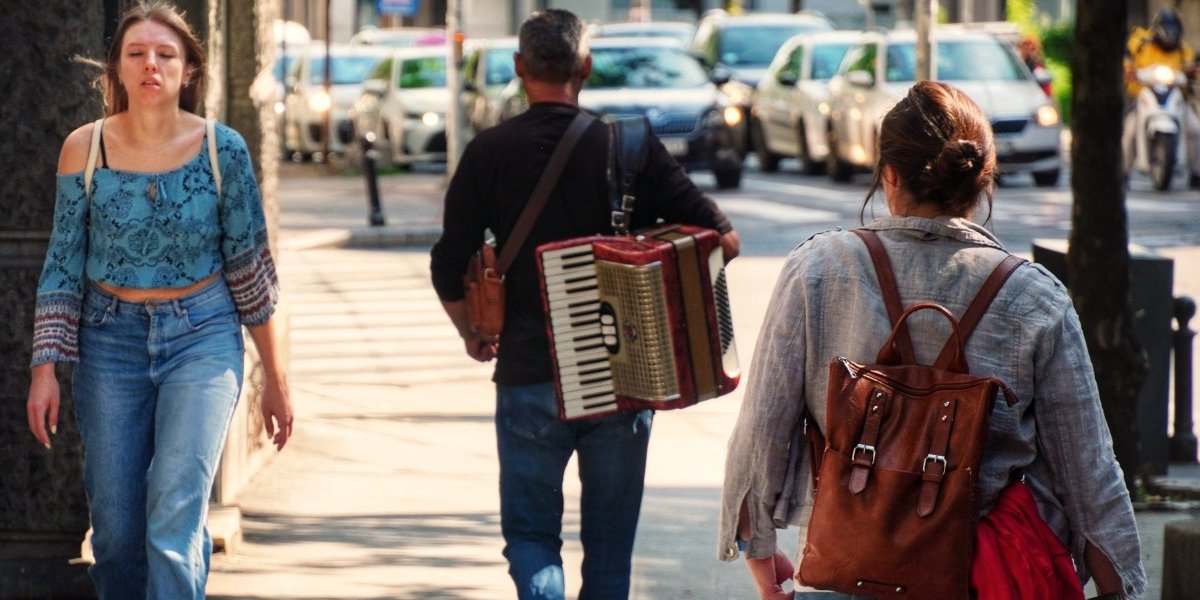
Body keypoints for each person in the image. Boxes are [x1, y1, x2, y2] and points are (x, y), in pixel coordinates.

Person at [718, 81, 1145, 600]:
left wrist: (758, 552)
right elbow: (1089, 472)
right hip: (982, 577)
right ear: (982, 182)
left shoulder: (819, 270)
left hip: (843, 570)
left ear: (889, 175)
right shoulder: (1036, 299)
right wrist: (1119, 585)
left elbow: (762, 426)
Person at [429, 9, 739, 599]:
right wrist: (650, 266)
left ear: (520, 69)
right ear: (586, 68)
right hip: (622, 381)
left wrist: (472, 332)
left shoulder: (488, 151)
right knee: (610, 550)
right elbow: (722, 240)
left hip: (526, 374)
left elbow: (448, 262)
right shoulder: (626, 145)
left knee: (530, 535)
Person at [24, 3, 293, 598]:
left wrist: (274, 377)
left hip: (202, 336)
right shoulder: (83, 149)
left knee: (174, 514)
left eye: (166, 54)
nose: (151, 65)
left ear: (188, 70)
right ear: (116, 71)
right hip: (108, 342)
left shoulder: (224, 151)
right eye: (136, 54)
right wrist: (45, 368)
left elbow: (251, 273)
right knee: (117, 532)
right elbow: (63, 265)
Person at [1123, 8, 1200, 188]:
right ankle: (1123, 173)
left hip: (1175, 98)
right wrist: (1128, 70)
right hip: (1144, 95)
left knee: (1195, 130)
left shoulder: (1182, 51)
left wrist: (1192, 70)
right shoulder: (1141, 43)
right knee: (1129, 131)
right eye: (1167, 34)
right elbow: (1127, 58)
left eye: (1173, 35)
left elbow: (1192, 67)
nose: (1170, 38)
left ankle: (1196, 173)